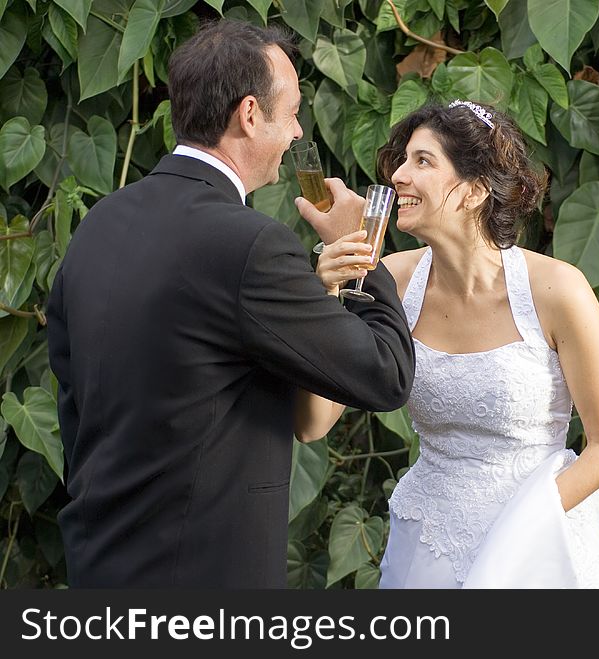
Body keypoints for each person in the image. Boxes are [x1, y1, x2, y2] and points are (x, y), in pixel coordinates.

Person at [45, 20, 415, 588]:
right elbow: (385, 375)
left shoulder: (101, 223)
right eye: (291, 113)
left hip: (98, 566)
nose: (297, 134)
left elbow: (73, 392)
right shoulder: (250, 246)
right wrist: (361, 248)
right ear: (249, 114)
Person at [297, 100, 599, 588]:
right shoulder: (390, 281)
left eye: (424, 161)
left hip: (539, 546)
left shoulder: (558, 290)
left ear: (475, 191)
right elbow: (312, 424)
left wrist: (523, 529)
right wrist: (328, 293)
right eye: (404, 160)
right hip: (430, 547)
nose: (399, 177)